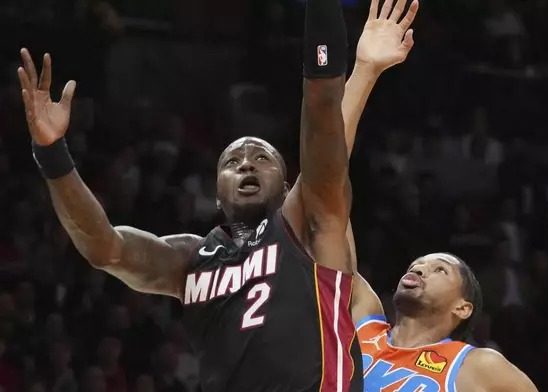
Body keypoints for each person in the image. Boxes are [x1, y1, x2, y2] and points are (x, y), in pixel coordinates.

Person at [16, 0, 417, 390]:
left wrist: (352, 57)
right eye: (232, 160)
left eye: (262, 158)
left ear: (287, 185)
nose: (246, 164)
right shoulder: (193, 258)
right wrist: (52, 153)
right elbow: (106, 248)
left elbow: (323, 114)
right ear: (217, 196)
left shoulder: (309, 231)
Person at [348, 251, 539, 391]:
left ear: (462, 308)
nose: (419, 270)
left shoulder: (476, 365)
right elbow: (333, 225)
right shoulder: (364, 328)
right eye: (415, 266)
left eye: (440, 270)